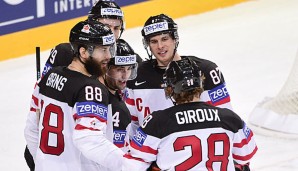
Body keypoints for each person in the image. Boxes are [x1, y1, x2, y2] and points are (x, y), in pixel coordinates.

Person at [24, 1, 142, 169]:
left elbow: (32, 127)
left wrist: (41, 163)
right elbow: (89, 140)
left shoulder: (50, 76)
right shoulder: (90, 87)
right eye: (103, 50)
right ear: (83, 52)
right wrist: (130, 165)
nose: (108, 56)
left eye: (116, 28)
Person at [122, 58, 258, 171]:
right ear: (201, 83)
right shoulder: (230, 118)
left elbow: (132, 165)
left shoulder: (156, 122)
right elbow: (246, 156)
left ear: (169, 89)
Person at [125, 13, 232, 134]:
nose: (160, 46)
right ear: (148, 45)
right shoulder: (136, 75)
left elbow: (226, 118)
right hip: (151, 149)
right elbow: (132, 124)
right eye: (154, 41)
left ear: (174, 39)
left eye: (164, 39)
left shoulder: (206, 70)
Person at [103, 38, 139, 152]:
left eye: (128, 69)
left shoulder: (121, 92)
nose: (125, 76)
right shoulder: (116, 108)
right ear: (105, 67)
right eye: (120, 69)